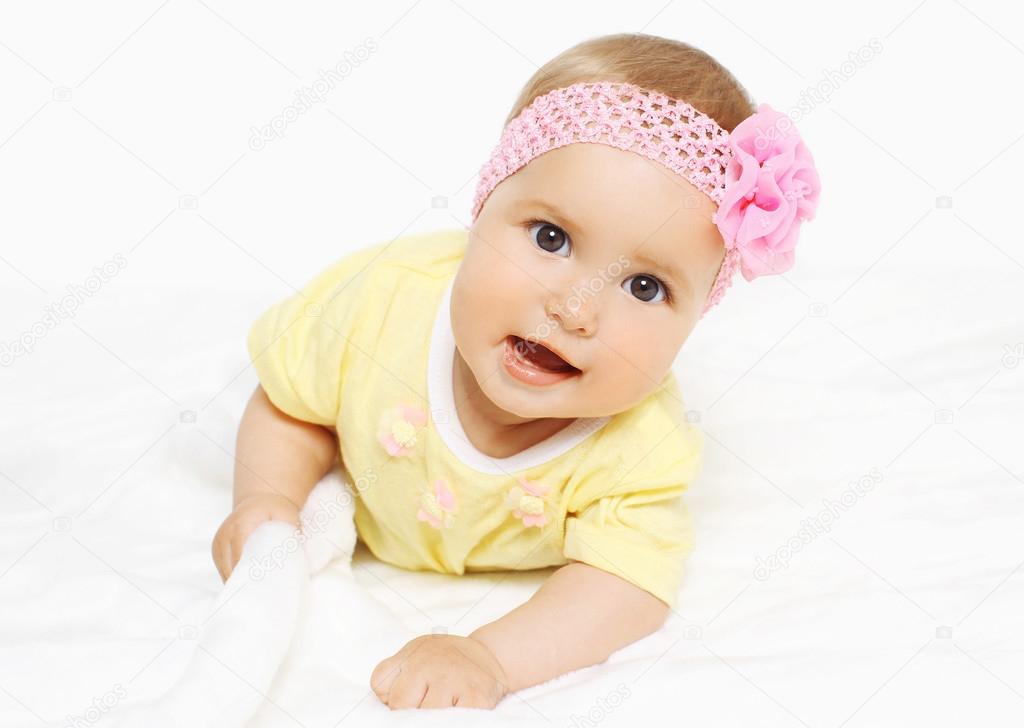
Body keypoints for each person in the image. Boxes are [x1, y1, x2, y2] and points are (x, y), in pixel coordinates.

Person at [211, 32, 821, 710]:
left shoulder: (641, 445)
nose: (576, 308)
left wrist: (488, 656)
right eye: (550, 238)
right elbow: (290, 403)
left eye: (645, 287)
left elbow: (625, 586)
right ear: (484, 207)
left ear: (696, 318)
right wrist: (267, 499)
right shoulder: (380, 303)